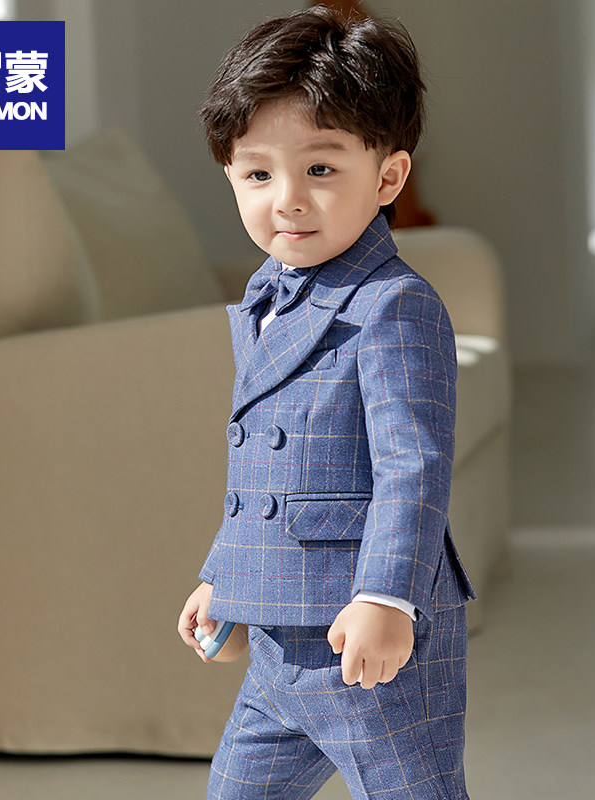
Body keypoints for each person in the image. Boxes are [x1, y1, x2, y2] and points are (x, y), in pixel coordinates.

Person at [177, 6, 476, 798]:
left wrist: (387, 597)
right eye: (257, 174)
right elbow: (264, 468)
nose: (287, 200)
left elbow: (412, 466)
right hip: (277, 644)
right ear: (230, 175)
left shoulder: (394, 306)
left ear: (388, 178)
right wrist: (225, 582)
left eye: (320, 169)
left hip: (362, 638)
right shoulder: (264, 298)